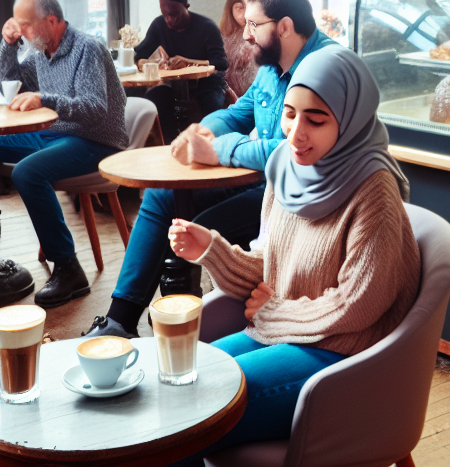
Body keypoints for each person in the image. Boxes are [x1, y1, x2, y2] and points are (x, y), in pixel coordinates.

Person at [167, 44, 420, 462]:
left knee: (189, 413)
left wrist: (275, 311)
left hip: (345, 356)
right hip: (284, 333)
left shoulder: (374, 189)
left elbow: (360, 304)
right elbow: (269, 264)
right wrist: (212, 249)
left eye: (316, 120)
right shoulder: (286, 165)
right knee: (174, 384)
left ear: (351, 118)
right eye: (289, 114)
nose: (296, 133)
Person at [82, 0, 337, 340]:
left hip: (297, 201)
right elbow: (238, 113)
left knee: (191, 223)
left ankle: (179, 330)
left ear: (284, 27)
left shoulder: (324, 68)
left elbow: (289, 151)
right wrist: (202, 131)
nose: (245, 34)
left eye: (253, 24)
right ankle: (120, 320)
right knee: (161, 195)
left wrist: (218, 150)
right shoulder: (271, 65)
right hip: (261, 186)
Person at [0, 0, 128, 308]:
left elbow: (95, 108)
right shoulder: (41, 53)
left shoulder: (88, 48)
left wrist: (46, 99)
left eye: (26, 26)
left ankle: (69, 268)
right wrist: (9, 44)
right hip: (53, 135)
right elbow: (10, 83)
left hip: (96, 141)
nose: (23, 31)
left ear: (52, 20)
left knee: (28, 172)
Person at [134, 0, 228, 142]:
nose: (169, 19)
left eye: (174, 14)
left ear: (186, 5)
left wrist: (189, 62)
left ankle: (213, 147)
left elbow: (221, 63)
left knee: (211, 104)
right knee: (155, 96)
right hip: (175, 84)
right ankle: (170, 144)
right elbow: (139, 55)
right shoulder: (159, 25)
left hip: (207, 82)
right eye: (165, 14)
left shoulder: (206, 27)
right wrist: (146, 64)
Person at [219, 0, 257, 101]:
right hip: (227, 94)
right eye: (240, 8)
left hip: (252, 94)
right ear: (230, 10)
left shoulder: (255, 33)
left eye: (247, 8)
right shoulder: (221, 35)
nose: (244, 13)